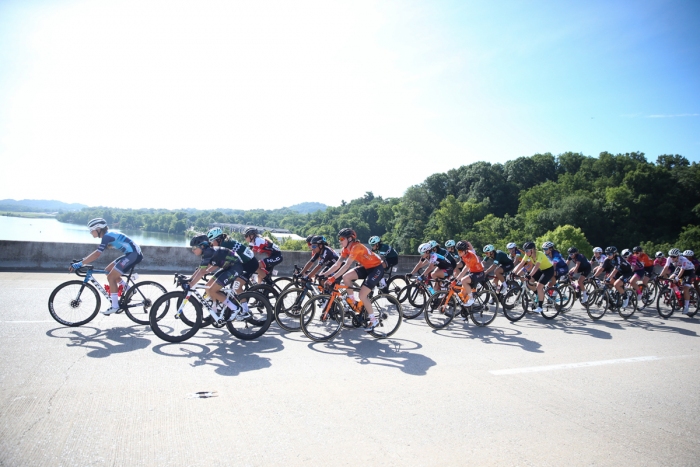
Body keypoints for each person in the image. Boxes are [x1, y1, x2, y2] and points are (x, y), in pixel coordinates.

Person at [69, 218, 143, 315]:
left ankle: (115, 306)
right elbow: (95, 253)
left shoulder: (106, 237)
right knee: (108, 270)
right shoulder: (108, 235)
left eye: (91, 230)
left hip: (133, 255)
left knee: (111, 277)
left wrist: (80, 264)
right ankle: (129, 289)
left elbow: (97, 254)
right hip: (131, 254)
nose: (90, 233)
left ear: (98, 229)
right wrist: (82, 261)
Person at [321, 228, 383, 331]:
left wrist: (332, 278)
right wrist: (324, 274)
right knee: (346, 277)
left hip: (376, 268)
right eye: (339, 239)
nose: (339, 241)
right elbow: (337, 264)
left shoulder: (356, 247)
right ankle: (352, 302)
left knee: (362, 295)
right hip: (367, 267)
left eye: (341, 239)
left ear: (350, 239)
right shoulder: (345, 249)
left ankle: (373, 320)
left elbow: (346, 266)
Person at [186, 234, 252, 320]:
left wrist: (191, 284)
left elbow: (201, 272)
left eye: (194, 248)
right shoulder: (207, 252)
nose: (192, 250)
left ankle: (235, 309)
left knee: (212, 290)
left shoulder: (208, 252)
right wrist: (190, 280)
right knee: (208, 287)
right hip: (228, 267)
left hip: (235, 268)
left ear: (202, 246)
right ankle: (215, 309)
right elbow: (200, 269)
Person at [206, 227, 258, 293]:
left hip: (249, 264)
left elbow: (216, 262)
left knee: (236, 288)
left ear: (218, 239)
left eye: (212, 241)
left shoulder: (224, 245)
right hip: (241, 262)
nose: (211, 244)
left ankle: (243, 303)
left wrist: (206, 270)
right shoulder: (224, 241)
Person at [512, 241, 555, 314]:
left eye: (527, 250)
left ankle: (540, 307)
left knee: (539, 286)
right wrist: (513, 272)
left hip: (548, 270)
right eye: (525, 251)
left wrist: (529, 275)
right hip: (541, 269)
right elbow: (521, 264)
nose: (526, 252)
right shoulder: (527, 255)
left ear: (532, 250)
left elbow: (536, 267)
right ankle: (538, 294)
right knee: (528, 282)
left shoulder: (540, 254)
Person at [660, 248, 696, 314]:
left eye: (674, 257)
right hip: (679, 268)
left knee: (685, 288)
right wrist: (660, 276)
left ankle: (686, 306)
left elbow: (682, 270)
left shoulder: (683, 259)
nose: (672, 258)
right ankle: (676, 293)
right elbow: (666, 267)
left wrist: (677, 278)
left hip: (689, 271)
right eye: (671, 256)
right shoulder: (669, 258)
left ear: (678, 256)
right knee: (670, 279)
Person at [453, 240, 485, 308]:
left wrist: (456, 280)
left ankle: (471, 298)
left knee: (463, 280)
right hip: (473, 272)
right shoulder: (464, 255)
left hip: (479, 273)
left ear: (465, 250)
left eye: (461, 251)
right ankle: (465, 314)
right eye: (458, 251)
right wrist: (456, 279)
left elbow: (465, 270)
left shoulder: (471, 256)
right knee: (462, 295)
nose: (459, 253)